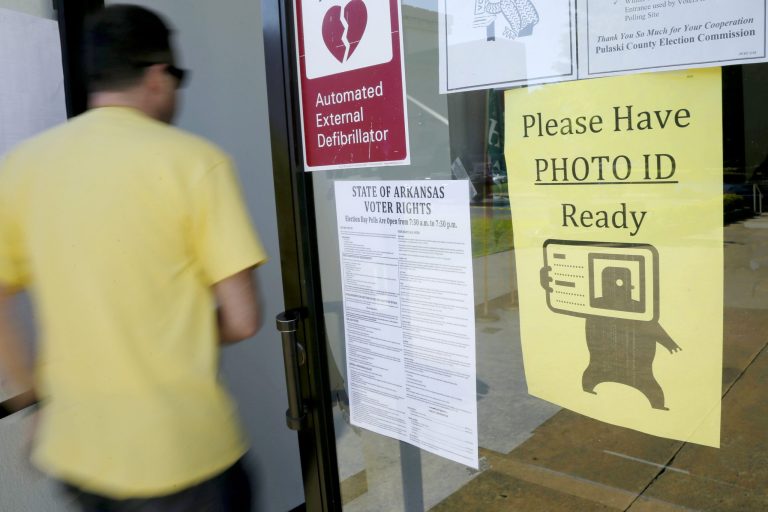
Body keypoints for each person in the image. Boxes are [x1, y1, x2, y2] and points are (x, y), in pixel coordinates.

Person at [0, 5, 266, 511]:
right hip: (187, 455)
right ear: (158, 75)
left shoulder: (21, 169)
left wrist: (33, 398)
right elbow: (243, 318)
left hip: (79, 454)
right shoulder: (195, 163)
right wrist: (176, 329)